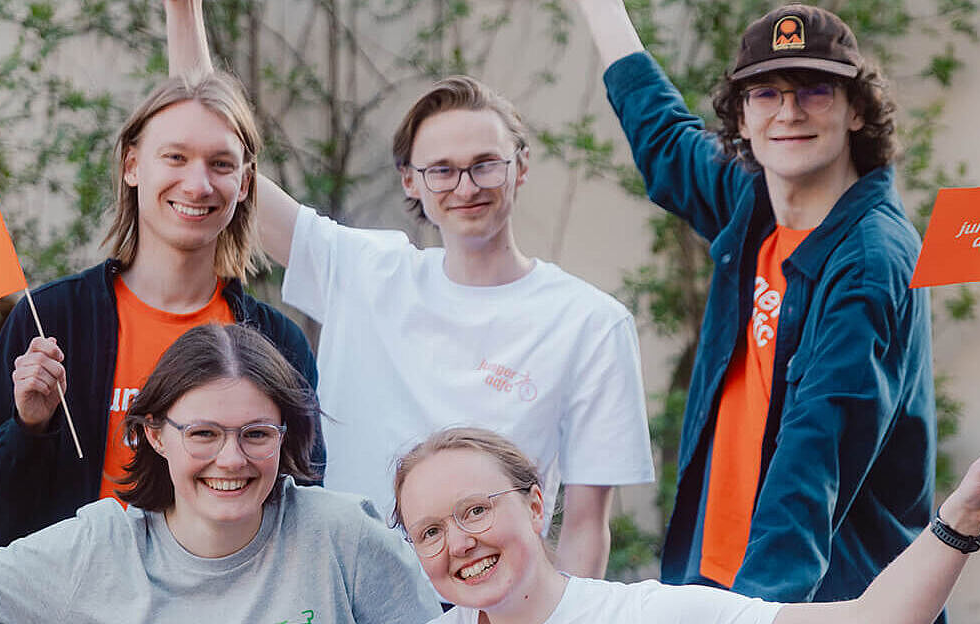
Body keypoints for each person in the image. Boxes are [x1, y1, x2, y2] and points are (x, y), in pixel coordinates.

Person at [163, 0, 653, 578]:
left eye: (485, 164)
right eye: (441, 169)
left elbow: (587, 525)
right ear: (411, 182)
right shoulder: (365, 270)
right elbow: (217, 144)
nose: (465, 186)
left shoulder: (590, 322)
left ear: (520, 168)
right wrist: (182, 11)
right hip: (343, 589)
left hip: (485, 601)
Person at [575, 0, 938, 606]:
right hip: (716, 580)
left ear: (856, 111)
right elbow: (661, 134)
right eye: (766, 94)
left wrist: (757, 610)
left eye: (815, 91)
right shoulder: (755, 205)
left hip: (817, 599)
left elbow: (817, 451)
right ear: (741, 118)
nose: (789, 113)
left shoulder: (869, 262)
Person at [0, 324, 442, 624]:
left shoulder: (342, 538)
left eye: (256, 434)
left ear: (287, 438)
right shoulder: (100, 546)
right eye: (204, 434)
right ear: (153, 435)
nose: (232, 459)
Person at [0, 70, 326, 552]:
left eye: (220, 164)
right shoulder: (51, 322)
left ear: (244, 182)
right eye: (175, 157)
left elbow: (302, 516)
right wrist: (28, 428)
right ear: (132, 165)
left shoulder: (277, 344)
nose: (197, 184)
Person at [392, 426, 980, 624]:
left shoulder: (648, 615)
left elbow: (872, 620)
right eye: (430, 531)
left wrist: (963, 516)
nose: (460, 542)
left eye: (475, 510)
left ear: (534, 505)